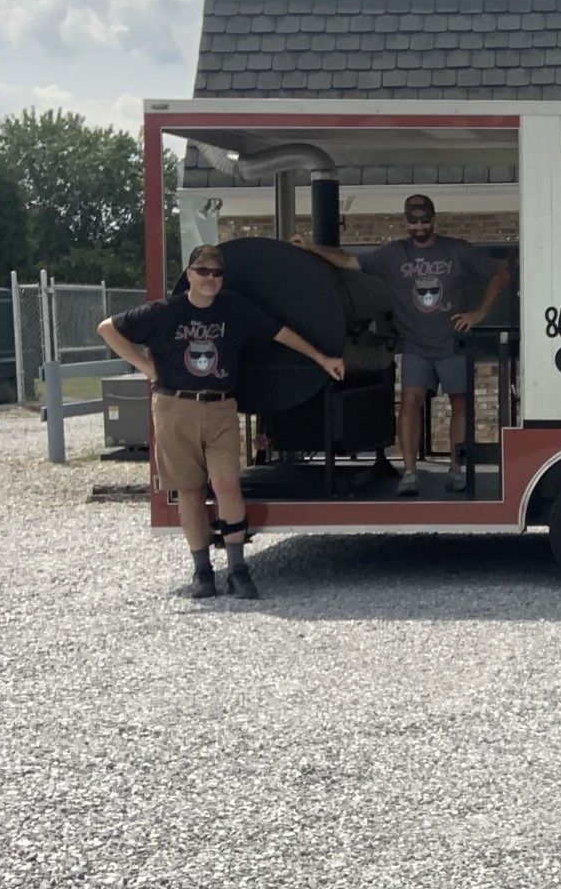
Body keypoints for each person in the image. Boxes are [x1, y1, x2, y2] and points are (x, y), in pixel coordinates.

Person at [98, 245, 344, 600]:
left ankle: (239, 569)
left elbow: (279, 332)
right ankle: (202, 572)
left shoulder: (234, 308)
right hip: (174, 406)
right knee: (189, 489)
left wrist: (321, 358)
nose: (210, 279)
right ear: (189, 274)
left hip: (220, 407)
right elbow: (108, 328)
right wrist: (147, 367)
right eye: (203, 272)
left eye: (216, 273)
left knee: (228, 484)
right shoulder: (166, 311)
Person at [293, 194, 509, 494]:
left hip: (451, 343)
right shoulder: (393, 254)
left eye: (425, 220)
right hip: (415, 345)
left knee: (459, 402)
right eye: (413, 220)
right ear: (405, 221)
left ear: (435, 219)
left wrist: (480, 313)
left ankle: (458, 468)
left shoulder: (456, 250)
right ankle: (410, 472)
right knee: (410, 401)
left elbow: (500, 272)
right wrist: (312, 247)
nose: (419, 226)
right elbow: (349, 261)